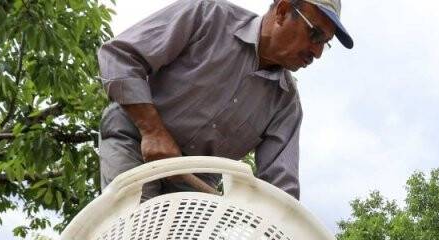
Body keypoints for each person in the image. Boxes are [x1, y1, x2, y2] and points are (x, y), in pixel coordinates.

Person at [96, 0, 353, 199]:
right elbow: (119, 57)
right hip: (136, 138)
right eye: (315, 35)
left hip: (196, 182)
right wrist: (153, 131)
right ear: (283, 11)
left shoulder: (286, 105)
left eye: (325, 43)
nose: (317, 53)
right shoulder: (208, 16)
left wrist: (290, 233)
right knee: (135, 233)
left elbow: (280, 189)